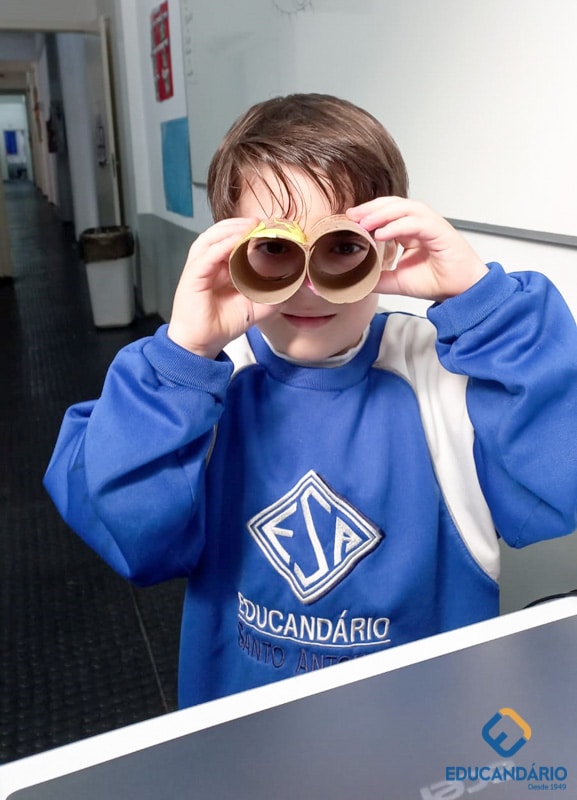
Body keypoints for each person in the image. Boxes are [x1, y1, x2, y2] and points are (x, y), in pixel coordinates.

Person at [44, 93, 577, 709]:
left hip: (424, 732)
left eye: (342, 247)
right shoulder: (197, 390)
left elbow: (559, 485)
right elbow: (130, 533)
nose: (308, 286)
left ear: (387, 247)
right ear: (230, 252)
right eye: (275, 249)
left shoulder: (445, 378)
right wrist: (183, 355)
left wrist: (485, 304)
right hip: (244, 733)